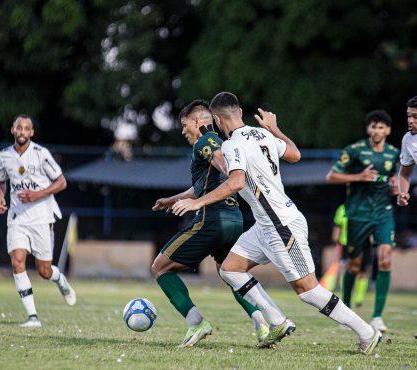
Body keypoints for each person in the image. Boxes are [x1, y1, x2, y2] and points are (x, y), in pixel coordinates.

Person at [172, 92, 381, 355]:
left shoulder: (233, 145)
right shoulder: (262, 135)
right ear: (239, 113)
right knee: (231, 269)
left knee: (308, 291)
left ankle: (366, 332)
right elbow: (294, 154)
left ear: (216, 118)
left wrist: (197, 203)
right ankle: (278, 321)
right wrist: (274, 128)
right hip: (265, 225)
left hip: (282, 226)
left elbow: (235, 181)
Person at [151, 100, 267, 348]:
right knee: (231, 274)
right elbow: (202, 185)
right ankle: (262, 324)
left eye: (184, 125)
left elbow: (225, 168)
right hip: (234, 219)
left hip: (212, 219)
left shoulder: (207, 140)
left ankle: (196, 322)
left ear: (195, 121)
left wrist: (226, 170)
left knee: (160, 268)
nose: (183, 131)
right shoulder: (220, 142)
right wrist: (172, 200)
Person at [0, 115, 76, 328]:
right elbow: (1, 182)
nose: (22, 132)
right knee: (17, 260)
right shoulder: (4, 156)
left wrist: (37, 194)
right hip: (17, 218)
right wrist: (0, 197)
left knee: (44, 271)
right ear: (12, 129)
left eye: (26, 129)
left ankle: (59, 279)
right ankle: (33, 317)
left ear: (31, 132)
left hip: (41, 217)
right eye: (18, 128)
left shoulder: (41, 154)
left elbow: (61, 182)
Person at [326, 110, 399, 333]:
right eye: (373, 127)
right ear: (368, 129)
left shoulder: (394, 154)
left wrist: (398, 190)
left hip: (383, 214)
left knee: (385, 260)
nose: (377, 131)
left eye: (381, 127)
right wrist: (358, 177)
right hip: (358, 214)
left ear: (388, 130)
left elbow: (396, 179)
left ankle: (377, 316)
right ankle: (346, 312)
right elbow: (331, 176)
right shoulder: (354, 151)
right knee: (356, 265)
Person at [397, 96, 417, 207]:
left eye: (415, 117)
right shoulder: (408, 139)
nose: (410, 121)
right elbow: (405, 172)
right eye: (409, 116)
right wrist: (403, 192)